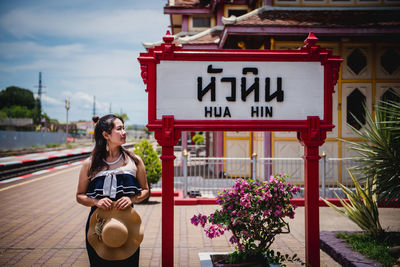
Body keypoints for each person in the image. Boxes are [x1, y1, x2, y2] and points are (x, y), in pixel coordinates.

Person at [76, 114, 149, 266]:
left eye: (124, 128)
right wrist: (96, 201)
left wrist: (132, 199)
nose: (124, 132)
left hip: (127, 227)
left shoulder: (134, 161)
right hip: (98, 227)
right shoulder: (90, 164)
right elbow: (79, 196)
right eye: (119, 129)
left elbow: (145, 190)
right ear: (106, 135)